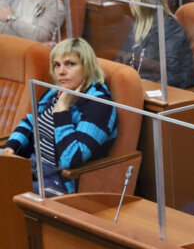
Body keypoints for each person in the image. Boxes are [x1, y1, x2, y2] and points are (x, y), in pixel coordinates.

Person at [1, 37, 116, 195]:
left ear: (87, 67)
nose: (61, 71)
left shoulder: (99, 105)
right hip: (33, 169)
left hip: (59, 181)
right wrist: (11, 147)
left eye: (70, 64)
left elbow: (72, 158)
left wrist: (62, 111)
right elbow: (31, 122)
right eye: (57, 65)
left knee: (5, 190)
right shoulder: (56, 92)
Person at [114, 0, 194, 89]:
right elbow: (123, 57)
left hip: (170, 90)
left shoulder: (170, 28)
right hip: (141, 83)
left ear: (143, 4)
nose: (130, 4)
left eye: (132, 0)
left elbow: (175, 74)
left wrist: (144, 86)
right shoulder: (138, 24)